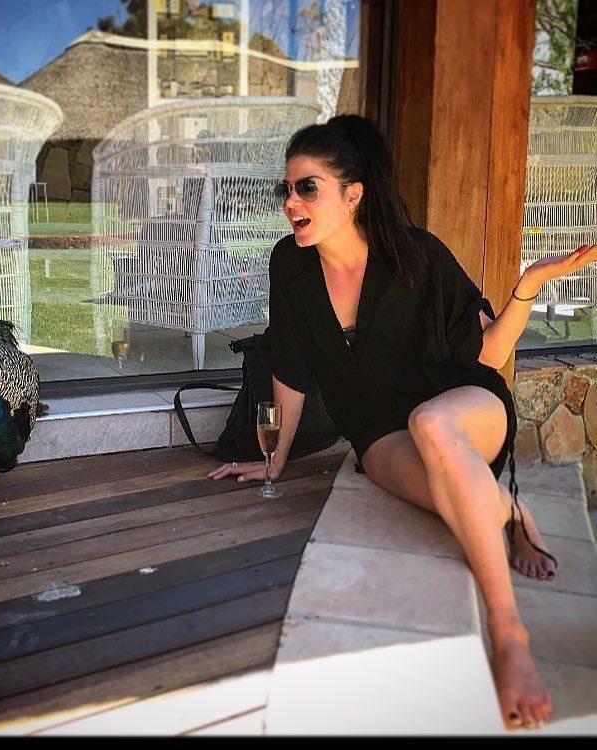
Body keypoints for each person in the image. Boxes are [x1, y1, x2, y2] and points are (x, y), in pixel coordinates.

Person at [208, 114, 597, 731]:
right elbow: (289, 364)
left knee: (433, 425)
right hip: (380, 433)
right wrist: (275, 459)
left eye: (307, 188)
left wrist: (526, 287)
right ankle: (513, 511)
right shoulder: (291, 264)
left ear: (352, 194)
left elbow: (486, 355)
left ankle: (509, 634)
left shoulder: (417, 255)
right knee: (445, 492)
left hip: (464, 407)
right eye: (286, 189)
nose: (290, 203)